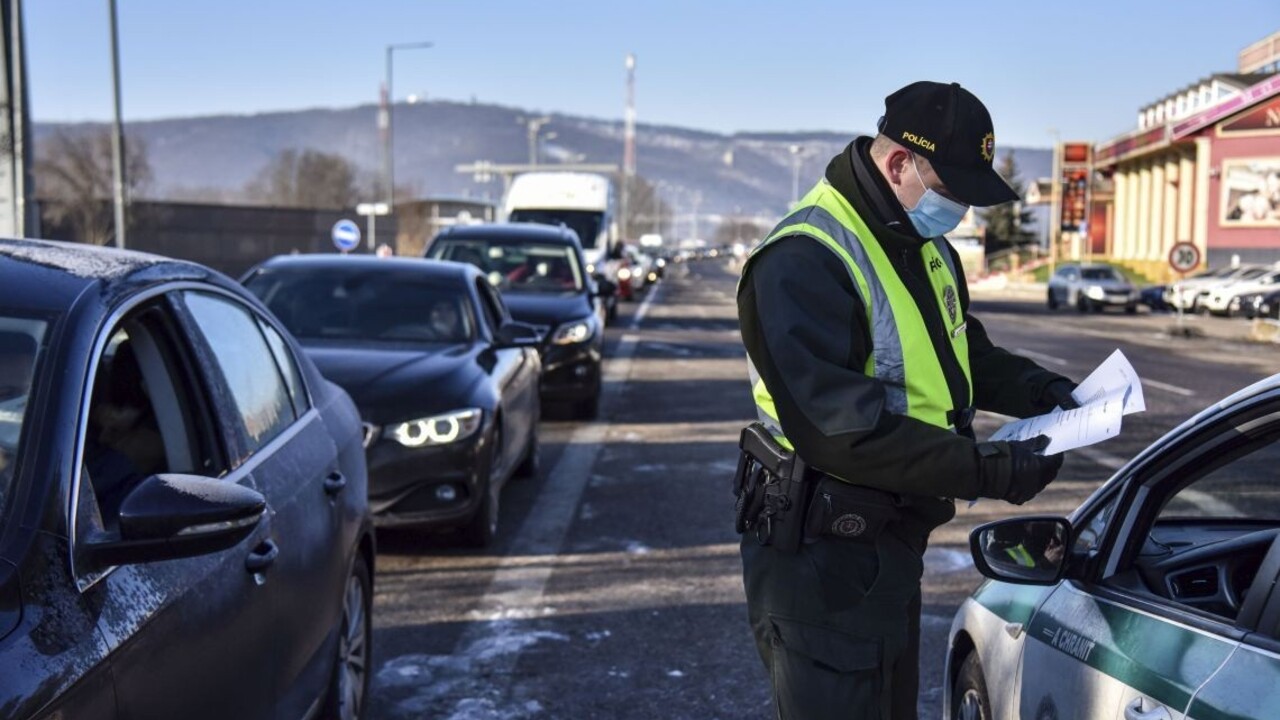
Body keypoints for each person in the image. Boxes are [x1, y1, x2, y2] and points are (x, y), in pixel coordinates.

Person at [736, 81, 1079, 720]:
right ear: (899, 164)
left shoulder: (921, 245)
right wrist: (988, 470)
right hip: (821, 561)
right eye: (951, 193)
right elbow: (841, 432)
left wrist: (1044, 391)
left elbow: (961, 351)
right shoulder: (803, 259)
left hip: (889, 544)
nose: (961, 214)